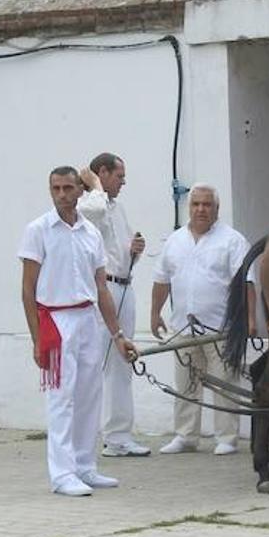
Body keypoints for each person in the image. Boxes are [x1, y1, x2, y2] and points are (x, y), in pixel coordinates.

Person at [19, 166, 138, 496]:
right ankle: (62, 473)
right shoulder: (38, 230)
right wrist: (36, 337)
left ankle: (86, 465)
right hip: (55, 320)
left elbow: (102, 289)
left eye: (68, 188)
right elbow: (28, 289)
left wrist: (117, 335)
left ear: (79, 191)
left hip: (88, 318)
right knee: (62, 398)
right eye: (55, 188)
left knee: (90, 393)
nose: (62, 194)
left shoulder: (91, 233)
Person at [151, 185, 250, 456]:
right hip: (183, 326)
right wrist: (154, 313)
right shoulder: (175, 240)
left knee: (225, 383)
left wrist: (248, 320)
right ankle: (185, 436)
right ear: (189, 207)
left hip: (220, 329)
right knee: (186, 384)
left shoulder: (232, 240)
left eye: (207, 205)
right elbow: (161, 280)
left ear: (216, 209)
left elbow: (246, 284)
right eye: (196, 204)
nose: (201, 210)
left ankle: (227, 438)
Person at [77, 153, 151, 457]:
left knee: (122, 362)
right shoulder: (86, 204)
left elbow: (118, 249)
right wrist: (92, 183)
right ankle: (94, 434)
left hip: (124, 285)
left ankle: (119, 435)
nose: (123, 182)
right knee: (99, 363)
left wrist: (133, 249)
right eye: (118, 176)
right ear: (102, 173)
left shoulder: (116, 207)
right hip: (102, 288)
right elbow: (93, 209)